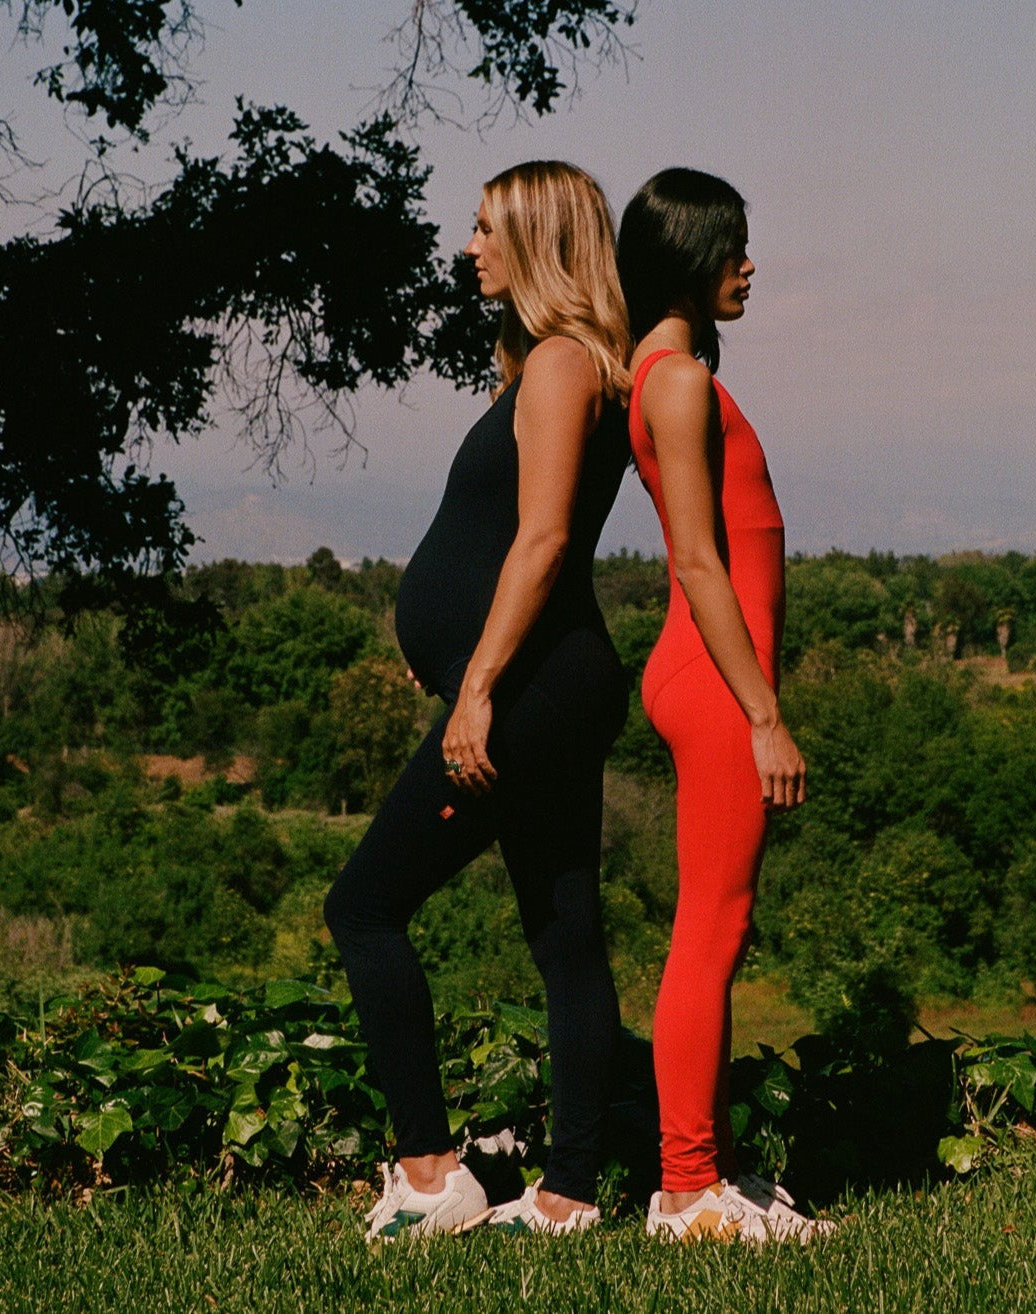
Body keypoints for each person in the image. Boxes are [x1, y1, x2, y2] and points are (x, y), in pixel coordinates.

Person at [325, 160, 631, 1238]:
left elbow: (543, 539)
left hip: (531, 689)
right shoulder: (548, 361)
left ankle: (429, 1173)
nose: (468, 246)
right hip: (538, 680)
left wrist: (481, 684)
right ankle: (570, 1191)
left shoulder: (559, 364)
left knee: (363, 906)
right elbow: (495, 538)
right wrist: (451, 648)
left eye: (486, 227)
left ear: (538, 239)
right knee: (563, 933)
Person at [618, 168, 825, 1242]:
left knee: (719, 926)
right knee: (711, 927)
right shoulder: (678, 379)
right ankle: (686, 1189)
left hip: (709, 673)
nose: (750, 266)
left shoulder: (667, 367)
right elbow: (700, 562)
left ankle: (713, 1176)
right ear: (689, 259)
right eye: (732, 248)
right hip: (713, 680)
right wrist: (762, 715)